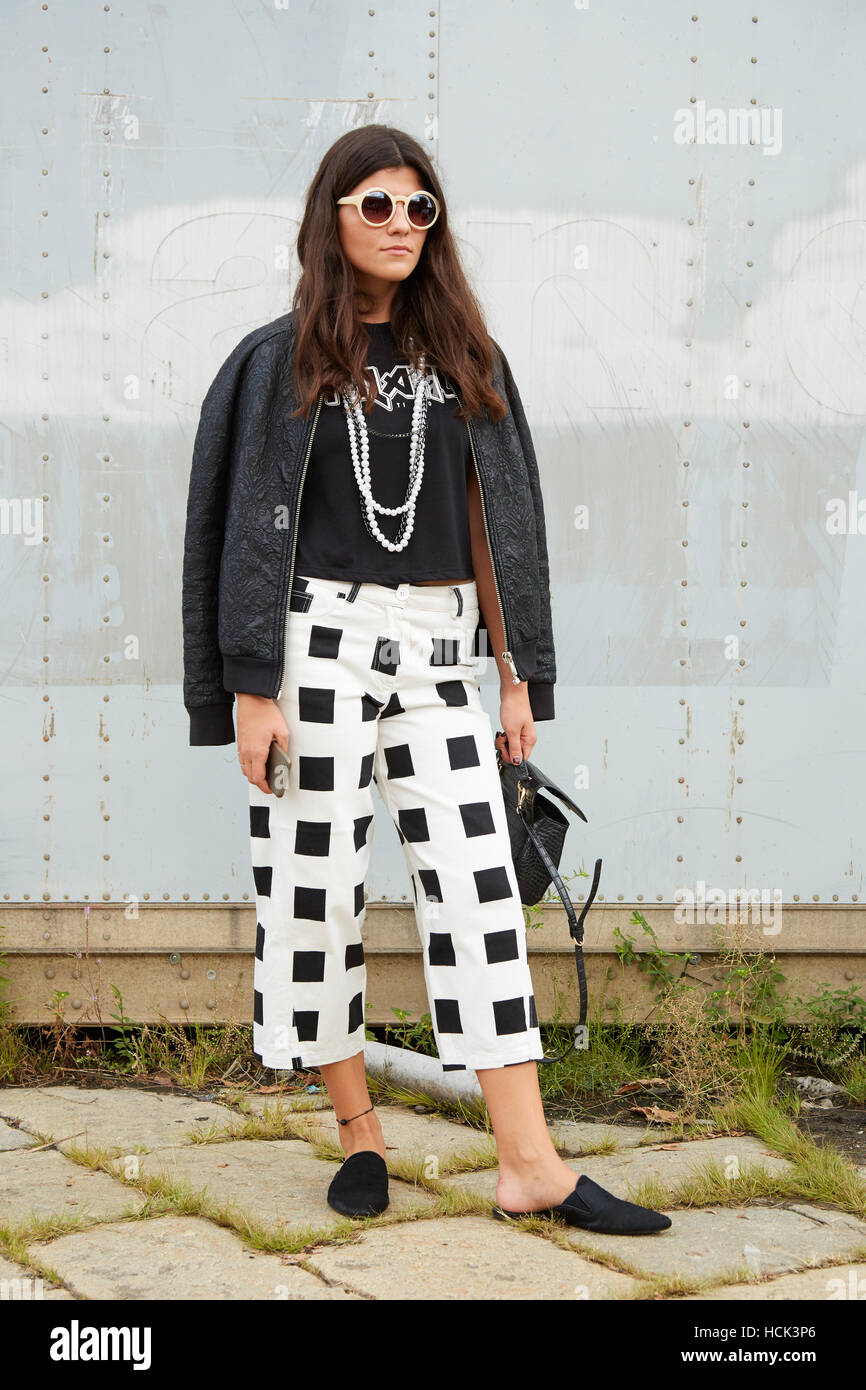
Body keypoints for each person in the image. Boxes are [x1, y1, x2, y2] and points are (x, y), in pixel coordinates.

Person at [182, 124, 670, 1237]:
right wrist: (247, 687)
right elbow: (234, 532)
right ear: (332, 218)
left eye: (419, 209)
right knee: (314, 895)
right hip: (316, 647)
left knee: (479, 897)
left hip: (444, 650)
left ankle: (529, 1163)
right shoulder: (277, 361)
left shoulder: (467, 358)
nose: (402, 226)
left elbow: (499, 527)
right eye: (378, 206)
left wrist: (516, 673)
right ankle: (359, 1134)